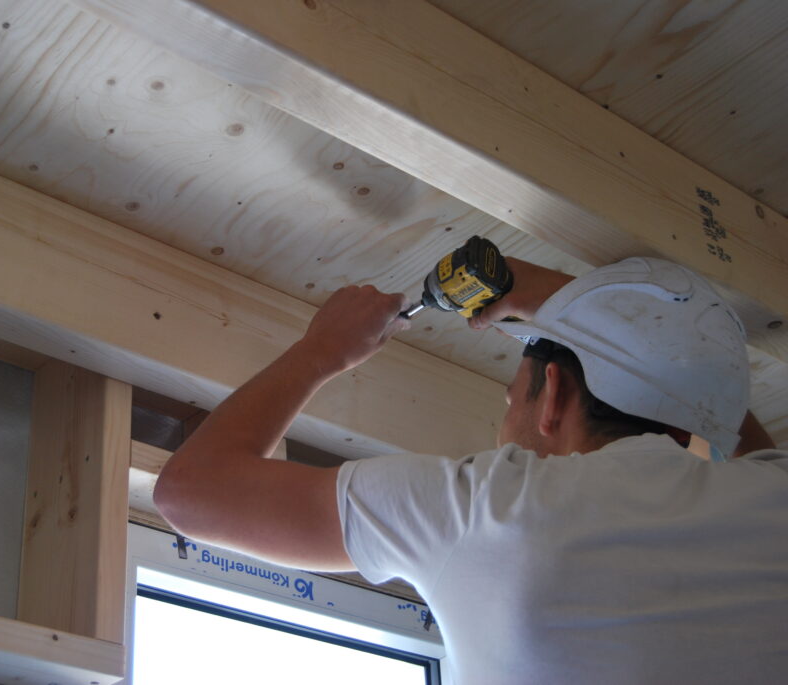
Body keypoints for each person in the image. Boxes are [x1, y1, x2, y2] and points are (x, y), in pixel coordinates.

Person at [153, 256, 787, 683]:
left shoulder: (489, 510)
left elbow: (192, 494)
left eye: (509, 401)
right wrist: (576, 310)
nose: (503, 423)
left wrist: (323, 349)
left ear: (554, 395)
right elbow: (721, 417)